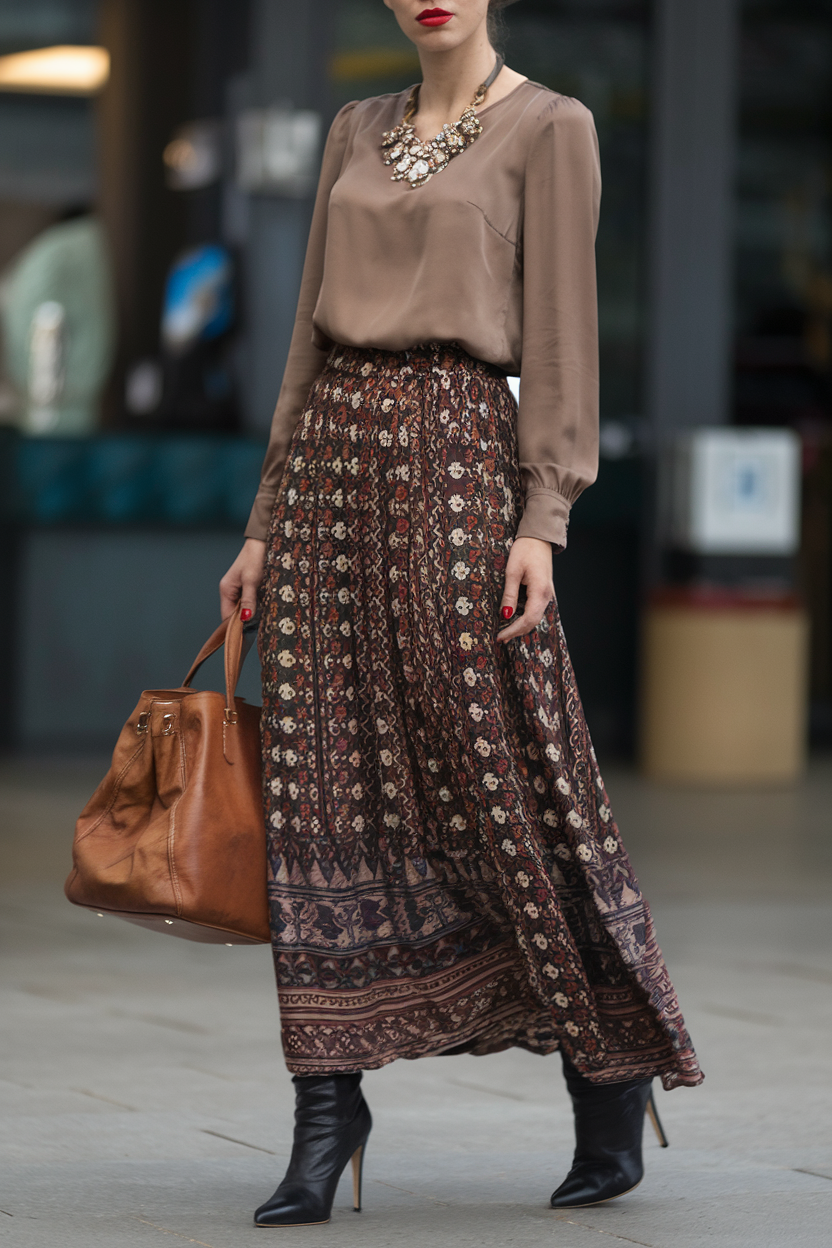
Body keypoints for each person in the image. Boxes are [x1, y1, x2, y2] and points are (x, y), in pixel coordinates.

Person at [220, 0, 702, 1227]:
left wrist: (542, 517)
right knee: (319, 787)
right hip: (329, 473)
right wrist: (266, 519)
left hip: (454, 466)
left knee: (505, 771)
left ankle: (608, 1060)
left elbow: (562, 338)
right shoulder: (352, 127)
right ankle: (325, 1110)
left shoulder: (552, 125)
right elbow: (302, 340)